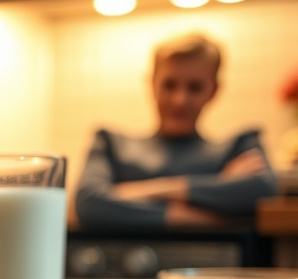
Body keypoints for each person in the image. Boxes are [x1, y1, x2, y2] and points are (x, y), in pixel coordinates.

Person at [75, 33, 277, 230]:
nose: (180, 100)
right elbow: (89, 203)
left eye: (195, 87)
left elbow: (264, 189)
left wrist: (138, 191)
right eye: (169, 85)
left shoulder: (239, 146)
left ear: (214, 91)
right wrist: (189, 214)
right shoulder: (111, 143)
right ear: (152, 84)